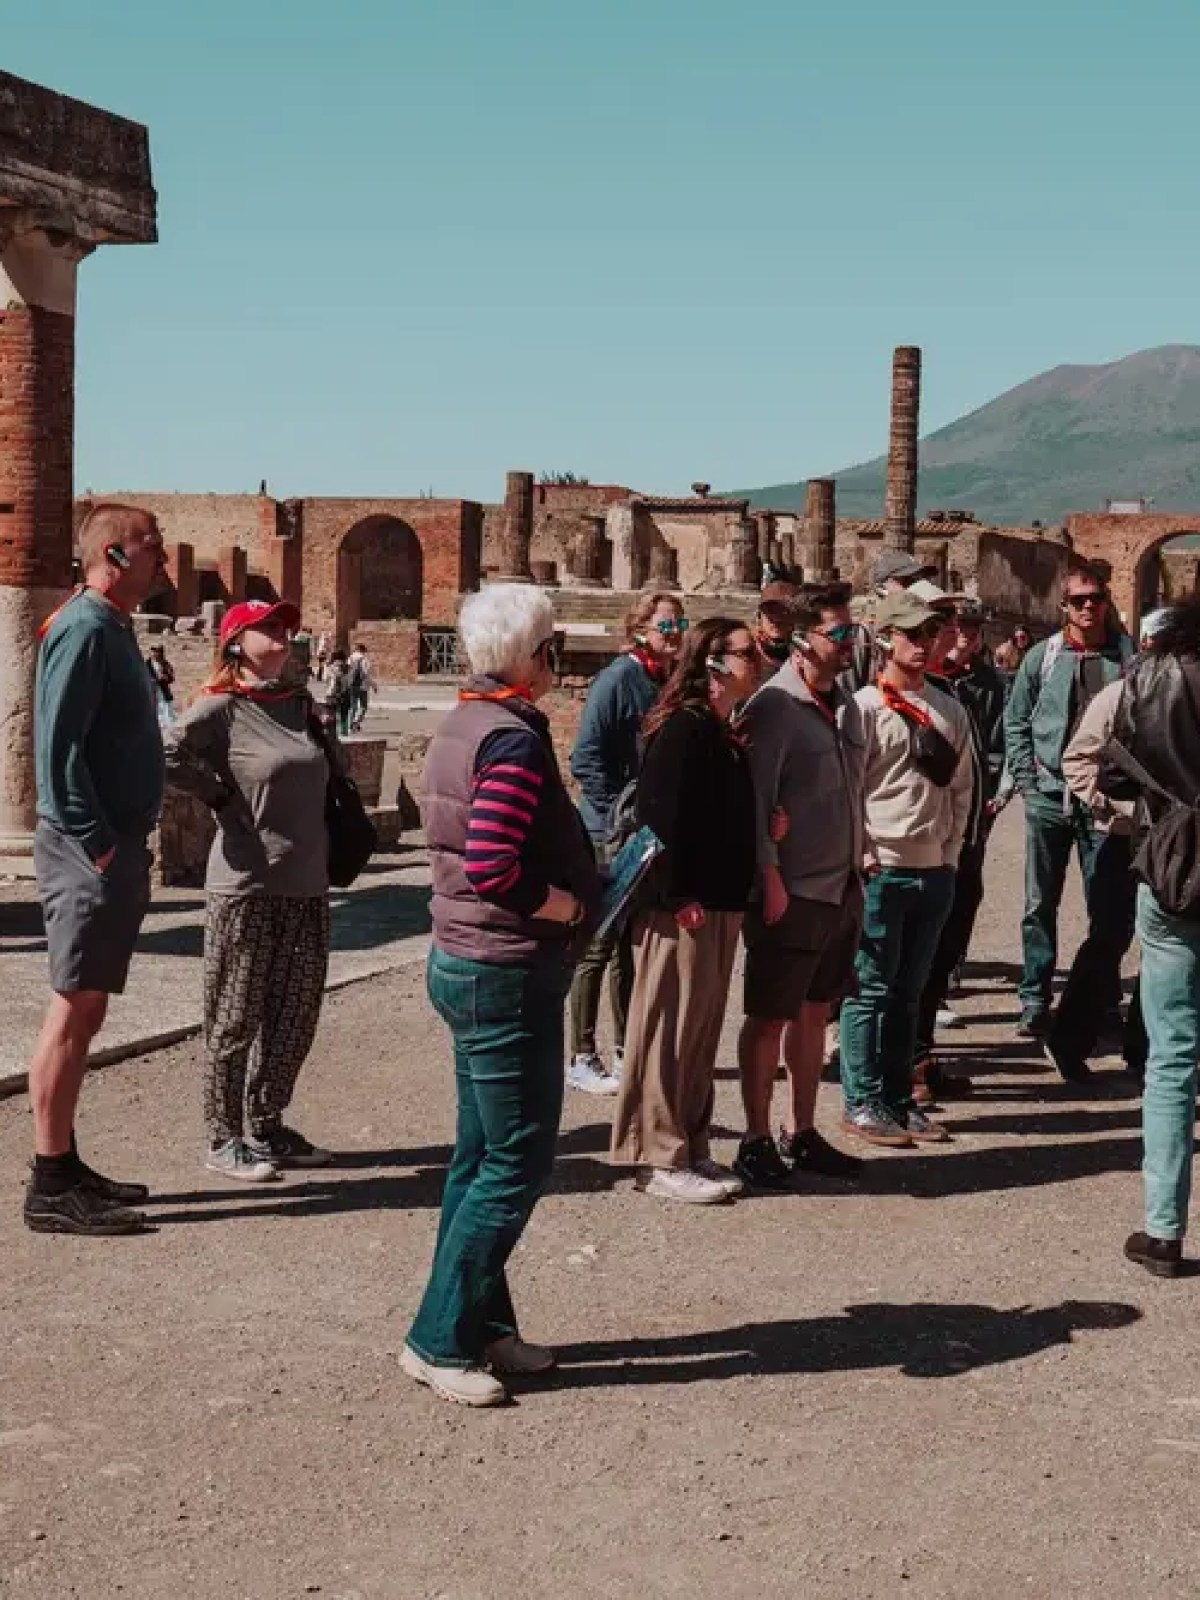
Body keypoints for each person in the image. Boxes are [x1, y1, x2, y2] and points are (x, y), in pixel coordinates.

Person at [402, 584, 601, 1407]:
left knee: (480, 1156)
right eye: (552, 646)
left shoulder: (463, 721)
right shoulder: (511, 742)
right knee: (516, 1160)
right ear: (532, 657)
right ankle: (437, 1338)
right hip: (503, 966)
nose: (556, 660)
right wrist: (567, 905)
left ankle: (482, 1322)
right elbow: (492, 864)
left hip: (468, 958)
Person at [25, 503, 168, 1236]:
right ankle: (50, 1184)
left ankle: (65, 1160)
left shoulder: (108, 627)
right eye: (154, 549)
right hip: (90, 851)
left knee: (88, 1008)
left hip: (109, 846)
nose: (164, 562)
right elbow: (57, 749)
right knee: (73, 1010)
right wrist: (97, 841)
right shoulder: (83, 627)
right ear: (114, 554)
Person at [164, 597, 336, 1180]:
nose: (283, 637)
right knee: (234, 1016)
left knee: (296, 1013)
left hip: (307, 883)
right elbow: (164, 753)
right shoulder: (221, 709)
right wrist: (215, 795)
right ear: (236, 640)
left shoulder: (299, 705)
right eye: (268, 629)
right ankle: (222, 1135)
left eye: (286, 627)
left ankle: (267, 1124)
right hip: (246, 885)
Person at [610, 618, 760, 1203]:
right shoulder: (683, 731)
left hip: (721, 905)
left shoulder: (722, 730)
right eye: (747, 652)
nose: (759, 658)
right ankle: (658, 1155)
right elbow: (658, 821)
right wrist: (675, 896)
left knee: (698, 1035)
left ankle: (692, 1146)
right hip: (683, 909)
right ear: (715, 664)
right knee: (668, 1032)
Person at [735, 586, 867, 1189]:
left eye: (850, 635)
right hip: (790, 891)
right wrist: (771, 879)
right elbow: (757, 804)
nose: (847, 646)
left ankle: (802, 1130)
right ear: (803, 640)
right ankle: (755, 1137)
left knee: (815, 1013)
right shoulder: (773, 708)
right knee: (768, 1016)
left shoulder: (845, 706)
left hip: (839, 887)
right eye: (836, 635)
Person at [1088, 600, 1200, 1276]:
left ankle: (1163, 1230)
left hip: (1175, 870)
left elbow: (1112, 772)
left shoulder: (1153, 675)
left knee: (1172, 1056)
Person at [838, 591, 973, 1148]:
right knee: (869, 989)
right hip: (882, 868)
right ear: (886, 637)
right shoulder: (864, 709)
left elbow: (962, 787)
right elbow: (850, 789)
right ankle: (862, 1100)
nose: (922, 645)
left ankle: (898, 1098)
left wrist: (951, 851)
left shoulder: (950, 709)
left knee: (910, 992)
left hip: (933, 868)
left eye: (929, 635)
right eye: (912, 635)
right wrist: (862, 853)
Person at [1003, 566, 1135, 1039]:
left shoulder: (1128, 659)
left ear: (1106, 601)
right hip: (1048, 797)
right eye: (1077, 600)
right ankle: (1035, 999)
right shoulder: (1043, 657)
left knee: (1109, 908)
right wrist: (1027, 779)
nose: (1087, 607)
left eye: (1095, 598)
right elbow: (1015, 721)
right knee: (1040, 903)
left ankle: (1098, 998)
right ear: (1064, 606)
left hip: (1105, 802)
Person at [567, 591, 686, 1096]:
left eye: (680, 623)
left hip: (644, 834)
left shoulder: (665, 681)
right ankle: (581, 1054)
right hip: (610, 833)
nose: (675, 632)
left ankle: (625, 1046)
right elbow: (585, 757)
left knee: (627, 948)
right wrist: (618, 811)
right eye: (665, 624)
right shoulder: (617, 680)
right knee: (598, 944)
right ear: (640, 629)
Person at [912, 599, 1008, 1100]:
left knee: (943, 951)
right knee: (913, 961)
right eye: (945, 628)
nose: (956, 636)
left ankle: (923, 1057)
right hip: (923, 845)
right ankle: (903, 1069)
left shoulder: (956, 690)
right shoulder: (903, 696)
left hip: (963, 843)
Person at [842, 550, 938, 692]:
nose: (916, 588)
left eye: (921, 580)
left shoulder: (928, 618)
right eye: (909, 581)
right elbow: (847, 689)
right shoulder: (863, 629)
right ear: (881, 586)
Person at [753, 596, 797, 676]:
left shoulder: (804, 654)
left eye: (783, 612)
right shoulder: (748, 651)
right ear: (759, 617)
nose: (776, 619)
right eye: (770, 612)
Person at [323, 649, 353, 737]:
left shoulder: (329, 667)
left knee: (331, 714)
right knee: (344, 714)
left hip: (331, 694)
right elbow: (350, 681)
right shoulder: (348, 668)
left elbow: (325, 679)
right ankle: (344, 731)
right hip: (344, 693)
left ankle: (331, 733)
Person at [347, 642, 376, 731]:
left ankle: (350, 724)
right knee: (363, 706)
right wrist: (373, 685)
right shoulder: (364, 659)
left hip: (351, 685)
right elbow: (366, 674)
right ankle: (356, 722)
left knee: (353, 706)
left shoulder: (350, 658)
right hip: (362, 686)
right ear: (363, 650)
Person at [146, 644, 177, 726]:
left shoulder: (165, 664)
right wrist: (155, 680)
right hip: (152, 691)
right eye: (153, 651)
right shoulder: (146, 665)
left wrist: (165, 677)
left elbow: (171, 678)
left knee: (166, 710)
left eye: (156, 651)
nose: (154, 654)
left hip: (163, 691)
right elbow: (143, 678)